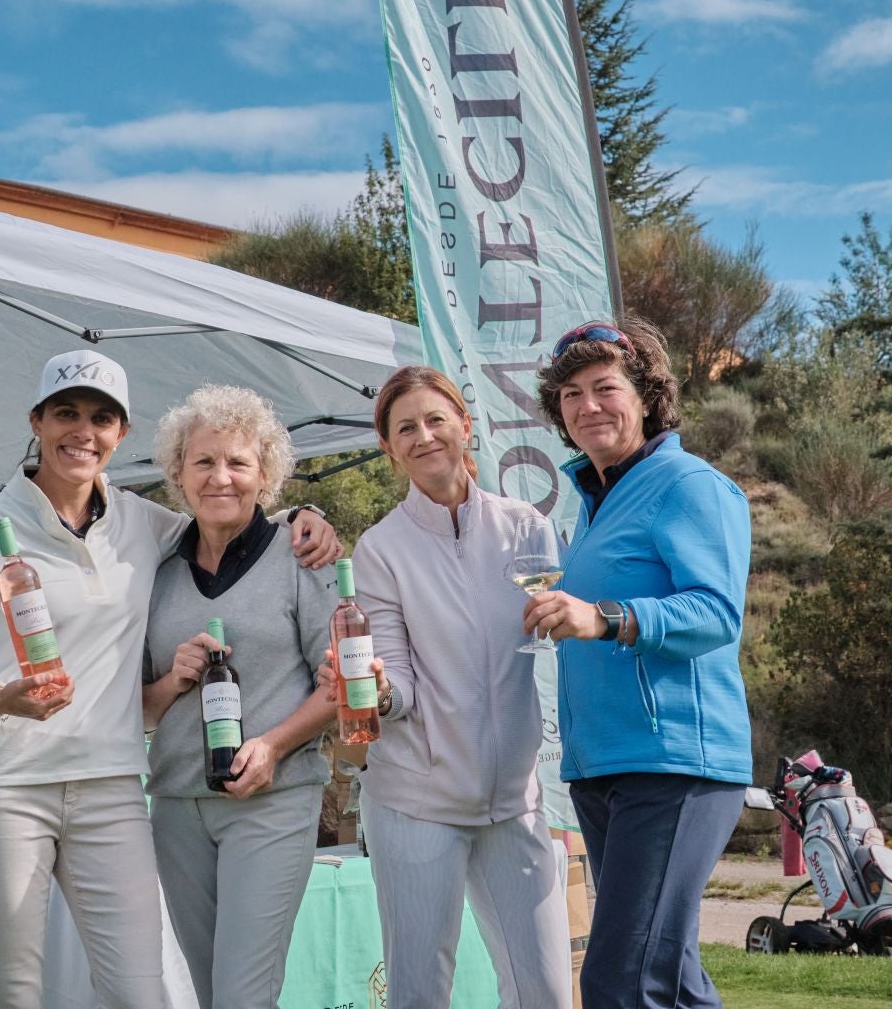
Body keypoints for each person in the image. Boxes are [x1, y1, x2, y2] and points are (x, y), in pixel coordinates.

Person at [0, 350, 339, 1009]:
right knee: (13, 993)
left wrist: (302, 516)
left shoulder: (145, 524)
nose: (82, 431)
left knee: (141, 994)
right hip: (4, 786)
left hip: (112, 789)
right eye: (66, 413)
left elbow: (233, 517)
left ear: (121, 433)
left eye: (101, 417)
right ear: (36, 421)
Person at [322, 365, 572, 1009]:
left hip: (514, 803)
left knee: (544, 989)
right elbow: (396, 681)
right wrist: (376, 691)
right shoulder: (380, 548)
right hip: (415, 802)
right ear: (389, 447)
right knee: (418, 994)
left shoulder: (526, 527)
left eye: (436, 419)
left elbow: (552, 633)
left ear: (465, 425)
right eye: (405, 427)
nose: (424, 435)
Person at [521, 317, 753, 1009]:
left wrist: (605, 617)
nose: (588, 405)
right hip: (605, 768)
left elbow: (716, 612)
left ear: (648, 396)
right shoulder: (595, 505)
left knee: (620, 982)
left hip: (674, 763)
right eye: (570, 395)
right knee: (671, 980)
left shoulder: (688, 484)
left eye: (604, 388)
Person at [142, 385, 340, 1009]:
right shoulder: (156, 568)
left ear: (266, 474)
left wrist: (275, 746)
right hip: (176, 807)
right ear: (178, 473)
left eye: (238, 462)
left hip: (274, 800)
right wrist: (173, 680)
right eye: (203, 462)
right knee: (210, 995)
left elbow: (342, 685)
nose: (220, 477)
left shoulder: (302, 553)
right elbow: (140, 707)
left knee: (242, 996)